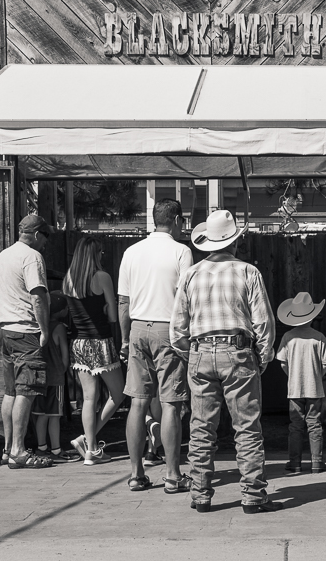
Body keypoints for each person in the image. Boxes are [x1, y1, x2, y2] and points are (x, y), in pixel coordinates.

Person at [171, 209, 281, 515]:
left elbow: (177, 328)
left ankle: (200, 494)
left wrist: (191, 352)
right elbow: (263, 323)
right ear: (235, 241)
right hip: (238, 351)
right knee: (246, 427)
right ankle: (253, 496)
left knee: (201, 427)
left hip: (200, 351)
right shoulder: (247, 272)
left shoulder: (190, 274)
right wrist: (263, 354)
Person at [118, 198, 194, 493]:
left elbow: (123, 301)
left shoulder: (132, 252)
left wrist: (125, 338)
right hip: (168, 330)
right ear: (176, 220)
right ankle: (173, 475)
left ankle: (136, 474)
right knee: (170, 404)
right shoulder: (181, 251)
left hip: (137, 327)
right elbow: (184, 298)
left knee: (137, 402)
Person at [0, 214, 54, 469]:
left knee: (11, 391)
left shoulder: (3, 255)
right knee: (27, 390)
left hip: (4, 329)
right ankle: (19, 450)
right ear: (37, 235)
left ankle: (8, 449)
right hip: (25, 330)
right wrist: (45, 329)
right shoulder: (32, 256)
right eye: (46, 237)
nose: (46, 243)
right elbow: (37, 296)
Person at [65, 236, 126, 466]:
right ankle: (86, 441)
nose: (103, 256)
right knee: (118, 394)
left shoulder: (68, 279)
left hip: (79, 343)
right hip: (100, 342)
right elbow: (112, 315)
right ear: (94, 254)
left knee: (89, 398)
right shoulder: (102, 277)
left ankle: (89, 448)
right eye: (100, 252)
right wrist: (104, 308)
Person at [275, 292, 326, 475]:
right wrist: (316, 376)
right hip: (315, 388)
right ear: (312, 316)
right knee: (315, 424)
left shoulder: (288, 338)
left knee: (295, 426)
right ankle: (317, 462)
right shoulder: (319, 337)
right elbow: (325, 363)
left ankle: (295, 462)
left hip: (294, 389)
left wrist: (292, 375)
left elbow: (283, 363)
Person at [30, 292, 78, 463]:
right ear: (63, 310)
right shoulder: (59, 328)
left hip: (39, 376)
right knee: (55, 416)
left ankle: (41, 448)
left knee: (41, 415)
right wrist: (63, 370)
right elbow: (65, 354)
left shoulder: (38, 325)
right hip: (55, 377)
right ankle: (56, 450)